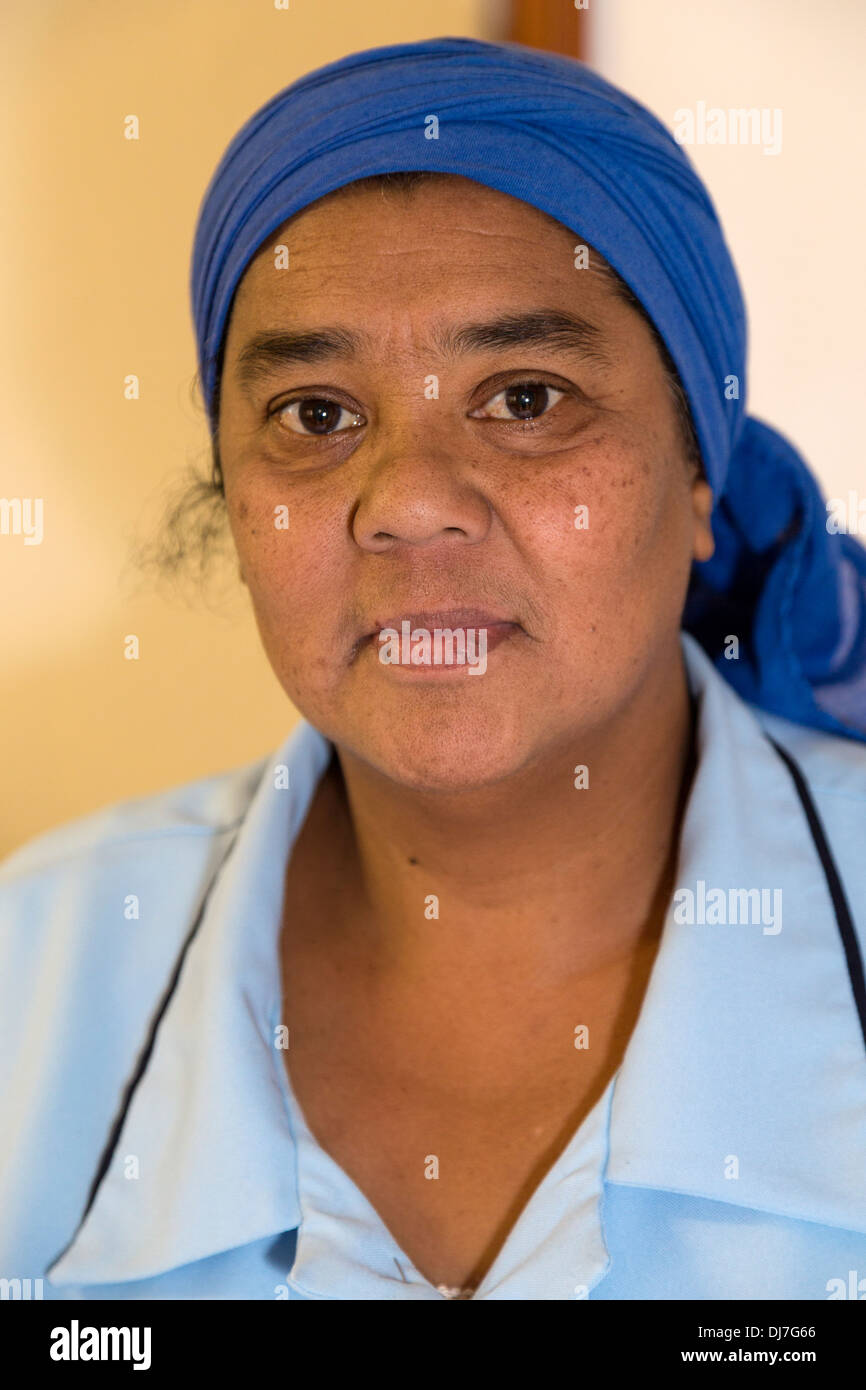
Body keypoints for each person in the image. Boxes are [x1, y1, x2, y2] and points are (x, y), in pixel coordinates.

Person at [2, 36, 866, 1303]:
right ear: (232, 496)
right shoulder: (36, 971)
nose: (406, 502)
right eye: (315, 415)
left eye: (524, 397)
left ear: (697, 480)